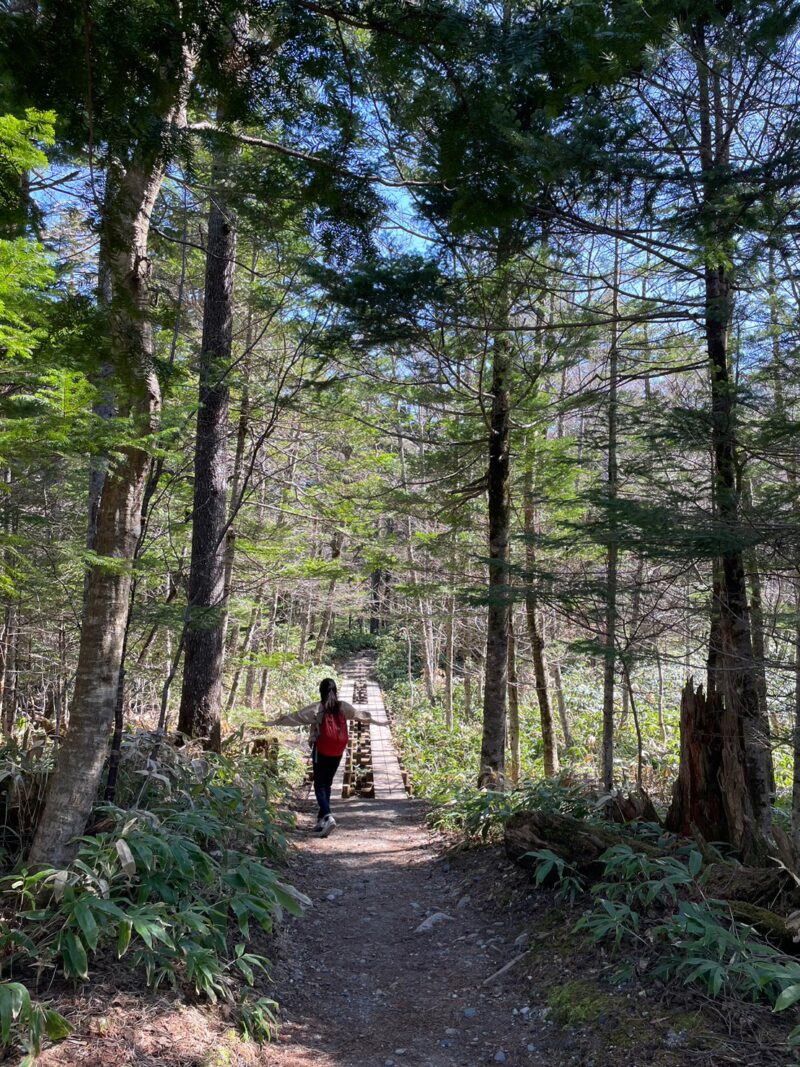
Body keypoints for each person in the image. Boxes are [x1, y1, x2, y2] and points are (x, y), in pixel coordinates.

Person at [270, 677, 375, 837]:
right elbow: (358, 715)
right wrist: (377, 721)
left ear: (321, 691)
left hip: (322, 750)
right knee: (328, 784)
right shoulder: (343, 707)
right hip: (338, 751)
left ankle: (327, 816)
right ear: (336, 691)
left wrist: (275, 722)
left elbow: (297, 717)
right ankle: (321, 821)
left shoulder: (317, 708)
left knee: (319, 785)